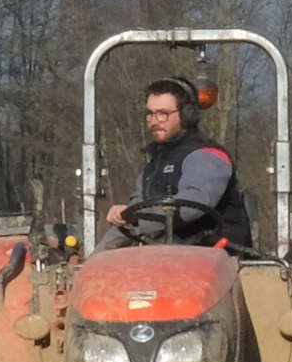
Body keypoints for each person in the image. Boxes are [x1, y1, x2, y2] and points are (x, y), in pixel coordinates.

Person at [97, 77, 252, 251]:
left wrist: (136, 217)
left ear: (188, 115)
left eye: (162, 114)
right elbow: (138, 207)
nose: (153, 122)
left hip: (216, 260)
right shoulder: (154, 166)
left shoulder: (207, 157)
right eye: (150, 114)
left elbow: (189, 208)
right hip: (171, 259)